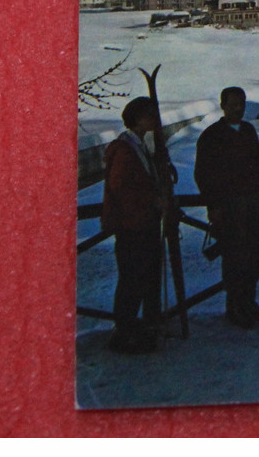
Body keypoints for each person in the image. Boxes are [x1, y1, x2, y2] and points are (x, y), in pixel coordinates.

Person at [195, 86, 259, 328]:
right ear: (223, 105)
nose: (238, 108)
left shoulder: (248, 131)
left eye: (242, 103)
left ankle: (248, 300)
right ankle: (235, 305)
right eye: (234, 103)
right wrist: (214, 205)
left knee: (257, 253)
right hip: (230, 206)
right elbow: (204, 175)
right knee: (235, 257)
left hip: (254, 204)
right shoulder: (211, 136)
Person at [101, 96, 167, 353]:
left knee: (141, 277)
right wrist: (151, 201)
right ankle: (125, 332)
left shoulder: (139, 145)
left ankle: (133, 329)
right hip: (133, 226)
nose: (153, 119)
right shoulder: (126, 149)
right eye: (148, 115)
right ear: (138, 118)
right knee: (132, 279)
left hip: (142, 223)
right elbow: (121, 187)